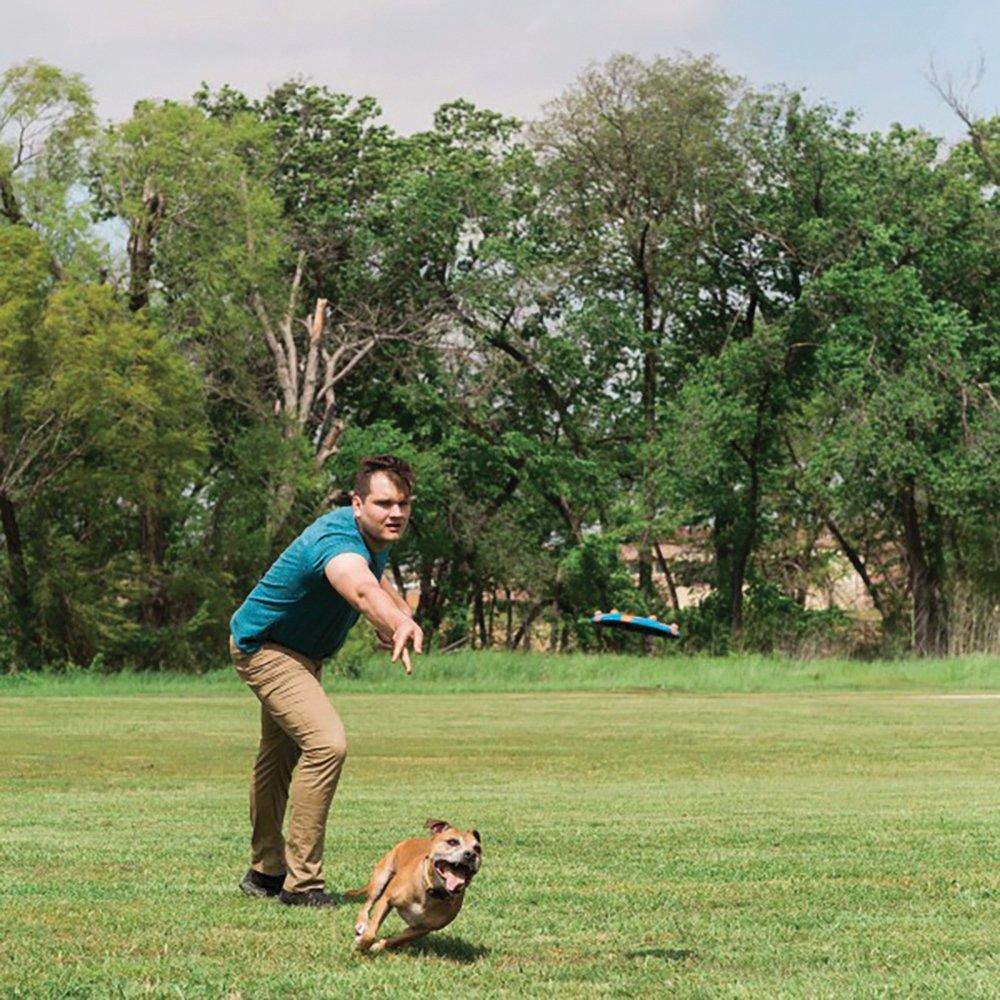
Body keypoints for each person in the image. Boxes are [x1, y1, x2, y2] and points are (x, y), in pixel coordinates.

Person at [228, 454, 423, 907]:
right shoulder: (335, 539)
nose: (395, 513)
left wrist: (400, 616)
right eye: (383, 503)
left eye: (404, 503)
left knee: (276, 760)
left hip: (304, 655)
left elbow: (376, 580)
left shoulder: (374, 538)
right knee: (326, 744)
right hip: (265, 647)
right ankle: (304, 885)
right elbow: (357, 585)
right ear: (357, 504)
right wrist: (393, 622)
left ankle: (265, 872)